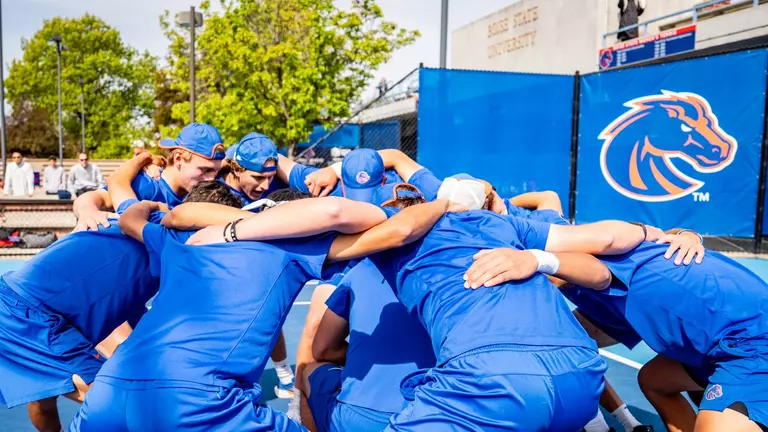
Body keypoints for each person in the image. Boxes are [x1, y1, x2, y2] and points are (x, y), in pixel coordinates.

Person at [70, 189, 457, 431]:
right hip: (201, 402)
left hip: (109, 394)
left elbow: (138, 217)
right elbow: (391, 230)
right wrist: (444, 202)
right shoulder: (292, 247)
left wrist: (154, 206)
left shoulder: (182, 242)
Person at [462, 222, 768, 432]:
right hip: (718, 344)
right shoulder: (603, 288)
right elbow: (583, 335)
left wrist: (535, 259)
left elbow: (600, 272)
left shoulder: (600, 258)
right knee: (654, 380)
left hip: (750, 343)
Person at [0, 179, 242, 432]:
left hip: (18, 299)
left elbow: (129, 299)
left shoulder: (138, 220)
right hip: (31, 315)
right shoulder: (176, 238)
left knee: (44, 398)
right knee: (113, 402)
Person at [304, 254, 437, 432]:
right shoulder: (459, 275)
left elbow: (322, 349)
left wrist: (365, 355)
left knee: (309, 371)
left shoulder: (359, 272)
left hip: (358, 417)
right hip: (434, 412)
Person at [71, 123, 226, 231]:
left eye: (216, 172)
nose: (211, 179)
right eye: (204, 170)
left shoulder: (205, 192)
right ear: (178, 159)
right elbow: (93, 198)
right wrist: (87, 212)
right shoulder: (148, 183)